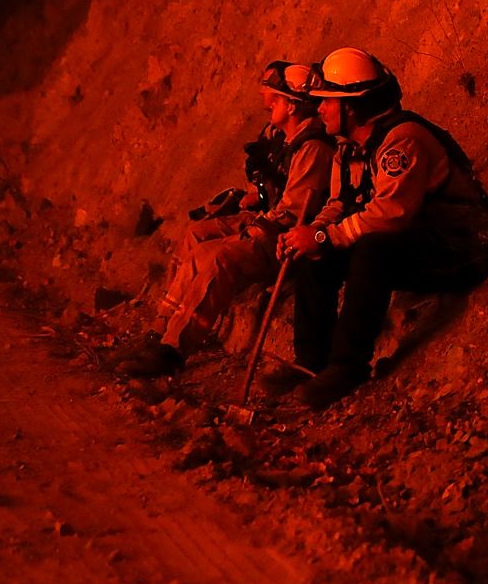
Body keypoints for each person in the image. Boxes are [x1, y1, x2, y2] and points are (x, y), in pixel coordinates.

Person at [278, 47, 488, 409]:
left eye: (327, 101)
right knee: (317, 254)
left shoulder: (402, 140)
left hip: (462, 245)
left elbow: (391, 214)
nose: (320, 108)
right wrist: (309, 235)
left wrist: (326, 235)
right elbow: (342, 204)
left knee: (374, 249)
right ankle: (311, 362)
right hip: (421, 243)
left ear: (352, 107)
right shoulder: (350, 148)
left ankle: (347, 366)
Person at [118, 62, 334, 377]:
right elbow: (272, 192)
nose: (267, 102)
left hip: (286, 235)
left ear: (292, 105)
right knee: (195, 235)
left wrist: (251, 228)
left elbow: (293, 210)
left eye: (274, 97)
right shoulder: (281, 137)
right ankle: (160, 330)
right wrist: (252, 194)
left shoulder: (313, 148)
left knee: (217, 256)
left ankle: (173, 349)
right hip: (268, 218)